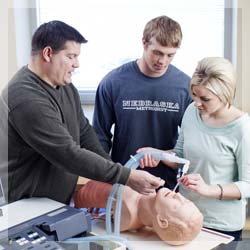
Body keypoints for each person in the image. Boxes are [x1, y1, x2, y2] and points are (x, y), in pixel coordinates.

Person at [0, 20, 165, 205]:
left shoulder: (65, 86)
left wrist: (112, 177)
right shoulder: (25, 98)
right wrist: (125, 176)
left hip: (57, 202)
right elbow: (67, 153)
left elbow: (85, 132)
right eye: (71, 56)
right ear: (47, 53)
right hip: (28, 206)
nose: (76, 64)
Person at [137, 57, 250, 241]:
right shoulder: (192, 111)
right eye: (194, 95)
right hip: (183, 217)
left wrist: (208, 189)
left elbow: (247, 185)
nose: (197, 103)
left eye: (205, 98)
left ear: (225, 94)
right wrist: (159, 155)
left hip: (221, 225)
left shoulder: (242, 128)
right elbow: (180, 155)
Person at [93, 15, 192, 190]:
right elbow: (99, 137)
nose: (163, 61)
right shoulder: (113, 82)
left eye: (170, 55)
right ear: (144, 43)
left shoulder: (185, 87)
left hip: (166, 188)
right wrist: (101, 181)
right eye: (157, 53)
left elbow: (189, 145)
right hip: (124, 183)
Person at [74, 180, 203, 245]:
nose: (179, 195)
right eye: (185, 200)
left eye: (177, 206)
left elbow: (82, 194)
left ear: (162, 221)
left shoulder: (125, 199)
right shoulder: (145, 190)